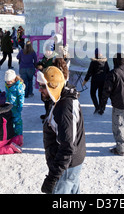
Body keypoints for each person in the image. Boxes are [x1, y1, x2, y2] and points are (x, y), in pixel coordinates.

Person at [38, 66, 86, 194]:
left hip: (66, 167)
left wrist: (53, 178)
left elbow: (67, 147)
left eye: (43, 86)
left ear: (53, 86)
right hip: (72, 163)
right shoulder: (63, 96)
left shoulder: (64, 108)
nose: (39, 89)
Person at [100, 53, 124, 156]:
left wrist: (102, 105)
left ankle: (121, 148)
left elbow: (106, 90)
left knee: (118, 125)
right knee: (123, 121)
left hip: (119, 103)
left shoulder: (113, 73)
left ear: (114, 61)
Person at [82, 48, 110, 113]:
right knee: (100, 94)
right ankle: (101, 108)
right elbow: (108, 71)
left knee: (92, 94)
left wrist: (85, 80)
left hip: (95, 81)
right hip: (103, 80)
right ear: (101, 54)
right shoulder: (105, 62)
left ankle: (97, 107)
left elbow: (89, 72)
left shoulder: (93, 62)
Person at [4, 69, 25, 136]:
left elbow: (21, 96)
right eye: (7, 81)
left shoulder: (18, 86)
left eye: (9, 81)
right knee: (10, 120)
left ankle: (18, 136)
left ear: (13, 79)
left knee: (17, 121)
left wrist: (20, 105)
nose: (8, 82)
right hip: (8, 106)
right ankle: (12, 134)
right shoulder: (7, 85)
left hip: (15, 106)